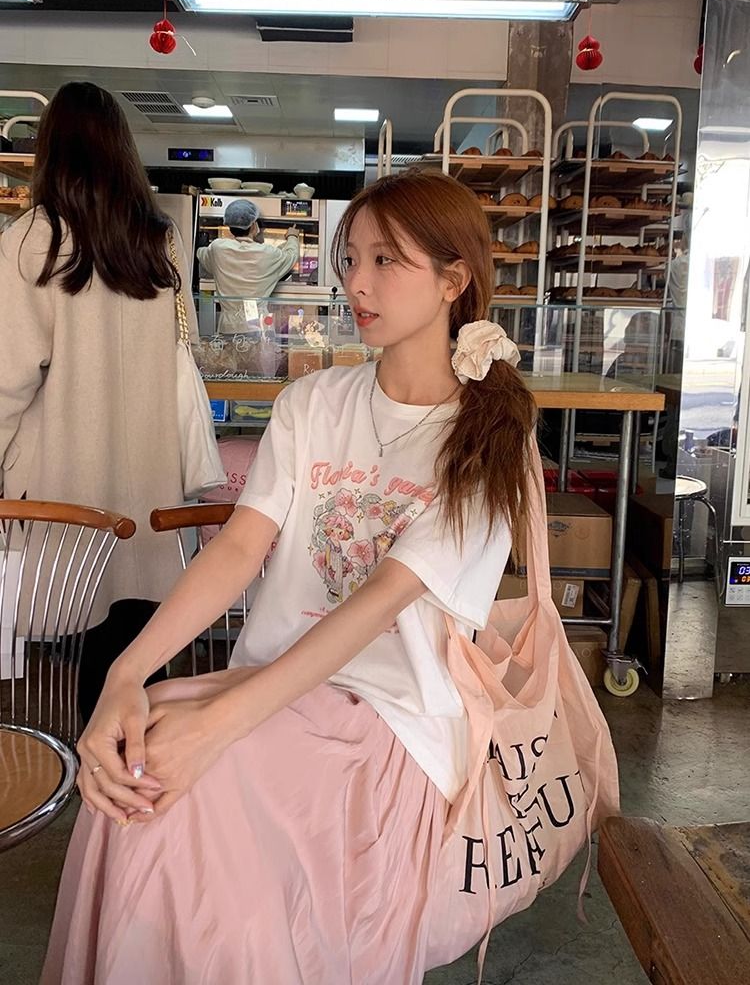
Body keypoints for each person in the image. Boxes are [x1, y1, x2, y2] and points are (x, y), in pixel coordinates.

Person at [41, 168, 538, 984]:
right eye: (351, 259)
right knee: (134, 765)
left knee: (173, 792)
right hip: (276, 686)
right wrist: (127, 674)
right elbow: (241, 547)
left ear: (454, 281)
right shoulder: (314, 402)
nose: (357, 283)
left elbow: (375, 608)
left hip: (391, 720)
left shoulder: (486, 441)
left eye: (386, 261)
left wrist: (220, 723)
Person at [0, 81, 197, 722]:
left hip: (64, 492)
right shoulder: (158, 239)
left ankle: (81, 767)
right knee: (139, 652)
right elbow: (183, 348)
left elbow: (6, 380)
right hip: (150, 486)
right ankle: (138, 770)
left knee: (68, 649)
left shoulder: (32, 239)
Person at [197, 198, 301, 332]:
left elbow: (201, 253)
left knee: (229, 348)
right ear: (253, 225)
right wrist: (292, 237)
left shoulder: (218, 248)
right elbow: (291, 256)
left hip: (229, 328)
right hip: (258, 326)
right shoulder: (267, 253)